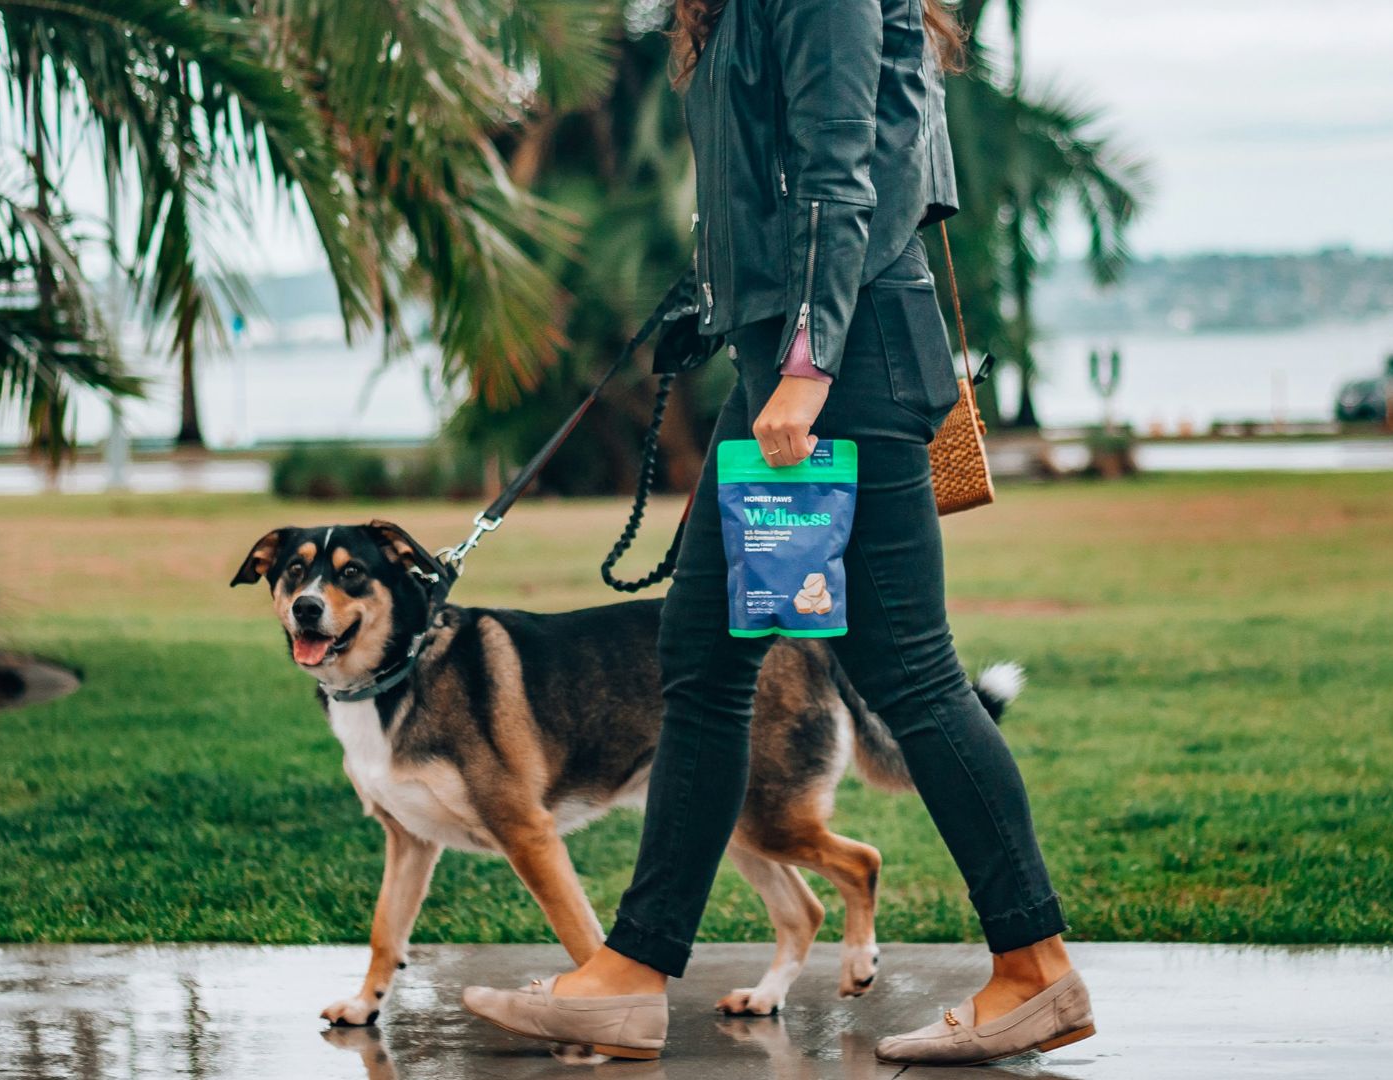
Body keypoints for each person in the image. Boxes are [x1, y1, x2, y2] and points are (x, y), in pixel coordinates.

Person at [461, 0, 1094, 1065]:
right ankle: (630, 974)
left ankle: (1037, 969)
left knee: (913, 677)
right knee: (703, 664)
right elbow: (771, 182)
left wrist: (804, 368)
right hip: (788, 362)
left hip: (842, 372)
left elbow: (839, 173)